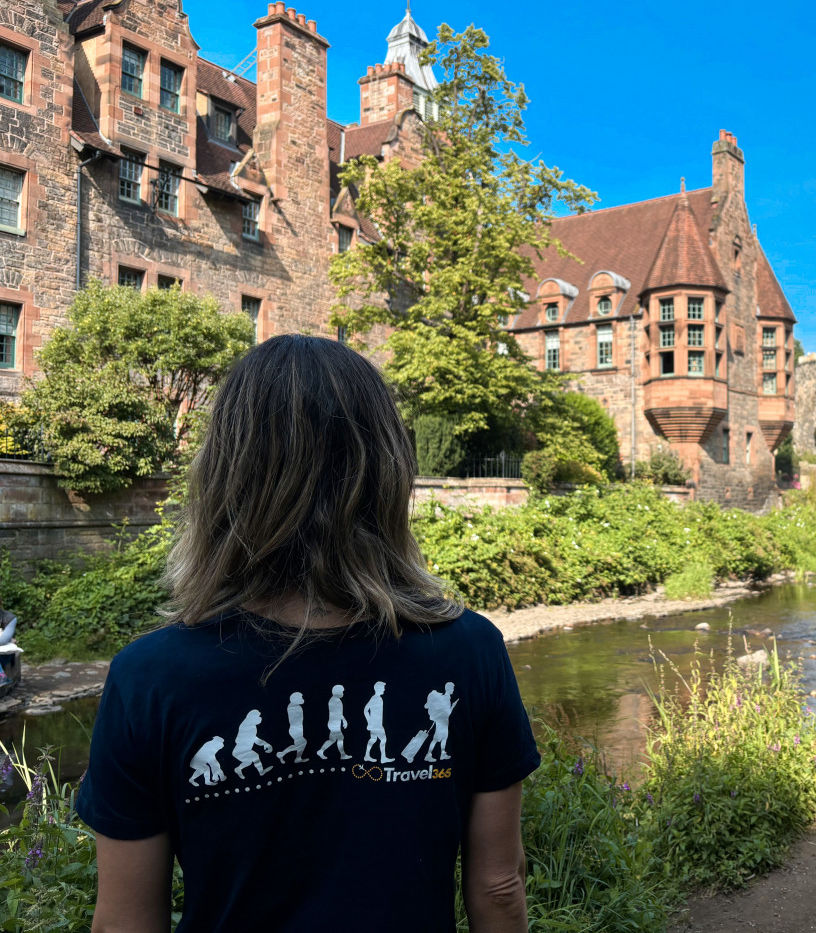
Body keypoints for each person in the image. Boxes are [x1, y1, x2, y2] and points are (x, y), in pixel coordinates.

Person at [77, 335, 540, 933]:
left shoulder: (150, 677)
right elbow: (499, 887)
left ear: (223, 475)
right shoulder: (470, 649)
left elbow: (124, 923)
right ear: (388, 471)